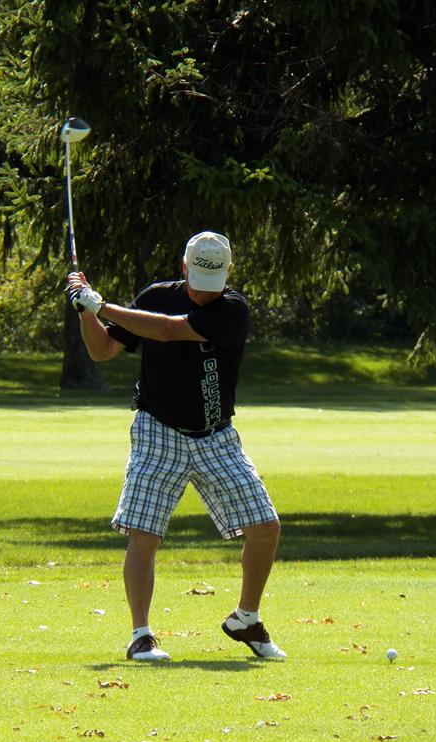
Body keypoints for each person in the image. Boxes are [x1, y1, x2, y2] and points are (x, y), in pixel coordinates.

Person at [66, 231, 286, 662]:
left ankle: (246, 618)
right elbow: (103, 350)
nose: (206, 293)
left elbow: (169, 332)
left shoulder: (233, 309)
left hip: (215, 435)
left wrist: (101, 305)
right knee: (144, 533)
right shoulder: (155, 296)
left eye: (215, 282)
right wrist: (83, 310)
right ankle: (141, 636)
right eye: (200, 280)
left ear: (228, 273)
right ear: (185, 268)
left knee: (265, 527)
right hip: (156, 429)